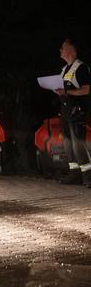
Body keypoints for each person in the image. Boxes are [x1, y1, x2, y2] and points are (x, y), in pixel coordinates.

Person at [54, 38, 91, 186]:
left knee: (78, 144)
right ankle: (74, 175)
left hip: (77, 111)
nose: (60, 51)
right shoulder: (65, 69)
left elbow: (87, 89)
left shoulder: (81, 67)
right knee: (68, 144)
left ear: (70, 50)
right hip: (66, 111)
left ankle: (88, 177)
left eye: (62, 48)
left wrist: (67, 92)